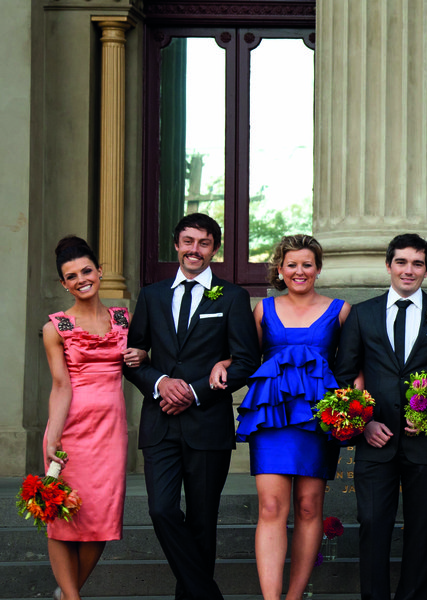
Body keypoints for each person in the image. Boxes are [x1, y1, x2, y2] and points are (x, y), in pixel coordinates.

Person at [125, 213, 261, 600]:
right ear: (176, 245)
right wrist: (161, 384)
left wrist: (196, 391)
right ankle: (207, 594)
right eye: (188, 241)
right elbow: (134, 358)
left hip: (207, 423)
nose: (194, 250)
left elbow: (247, 362)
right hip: (160, 424)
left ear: (214, 248)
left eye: (203, 243)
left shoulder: (232, 297)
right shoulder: (151, 295)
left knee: (203, 523)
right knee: (162, 510)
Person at [208, 235, 349, 600]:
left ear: (318, 268)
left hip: (318, 416)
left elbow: (352, 367)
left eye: (307, 264)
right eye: (292, 264)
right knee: (271, 505)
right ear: (280, 269)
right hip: (271, 415)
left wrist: (353, 408)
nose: (299, 271)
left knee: (308, 505)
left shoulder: (341, 310)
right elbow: (245, 357)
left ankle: (294, 596)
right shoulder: (262, 310)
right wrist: (224, 363)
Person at [333, 233, 427, 600]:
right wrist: (364, 424)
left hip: (423, 442)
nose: (408, 270)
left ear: (426, 269)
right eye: (401, 262)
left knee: (420, 529)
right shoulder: (362, 314)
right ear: (388, 265)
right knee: (372, 525)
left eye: (417, 264)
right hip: (374, 442)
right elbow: (344, 376)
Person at [41, 236, 144, 600]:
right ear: (64, 284)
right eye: (72, 276)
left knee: (101, 521)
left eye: (87, 270)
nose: (82, 279)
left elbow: (142, 356)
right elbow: (60, 386)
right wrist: (54, 436)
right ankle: (72, 597)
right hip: (71, 431)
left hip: (111, 432)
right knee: (61, 518)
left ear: (99, 272)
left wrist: (140, 357)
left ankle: (68, 592)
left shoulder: (123, 318)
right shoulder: (57, 327)